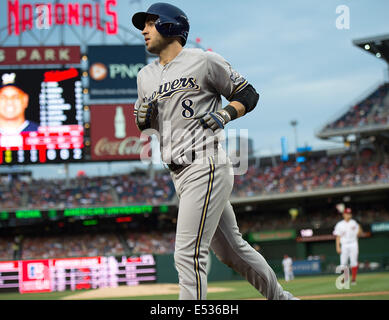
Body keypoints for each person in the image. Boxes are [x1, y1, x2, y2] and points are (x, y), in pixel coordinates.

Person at [131, 2, 298, 300]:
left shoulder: (204, 61)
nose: (144, 30)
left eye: (150, 23)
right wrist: (143, 117)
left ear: (170, 25)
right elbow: (147, 126)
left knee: (187, 254)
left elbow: (248, 94)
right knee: (232, 250)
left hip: (204, 163)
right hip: (178, 173)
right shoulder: (145, 76)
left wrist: (225, 115)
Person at [333, 207, 363, 285]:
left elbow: (359, 234)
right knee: (343, 263)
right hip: (344, 244)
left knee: (354, 262)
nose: (348, 215)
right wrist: (338, 247)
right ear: (343, 214)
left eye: (349, 213)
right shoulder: (339, 224)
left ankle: (353, 279)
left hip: (353, 243)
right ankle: (345, 278)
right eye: (347, 213)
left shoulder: (354, 223)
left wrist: (359, 228)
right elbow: (338, 237)